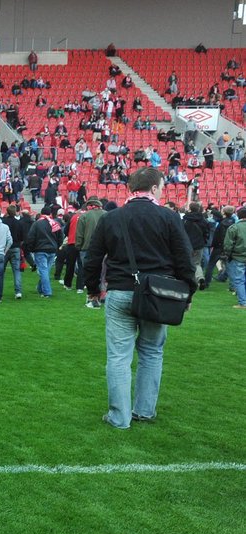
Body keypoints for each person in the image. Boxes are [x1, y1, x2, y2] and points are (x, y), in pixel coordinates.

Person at [82, 168, 196, 429]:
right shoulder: (168, 217)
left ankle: (119, 417)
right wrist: (187, 292)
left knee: (119, 357)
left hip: (121, 291)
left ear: (131, 189)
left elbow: (92, 260)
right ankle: (144, 411)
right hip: (158, 294)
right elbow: (184, 259)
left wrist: (92, 289)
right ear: (155, 188)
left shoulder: (112, 218)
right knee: (152, 352)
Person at [24, 207, 62, 298]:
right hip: (52, 250)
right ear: (50, 214)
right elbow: (60, 236)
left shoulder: (37, 224)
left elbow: (31, 237)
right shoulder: (55, 223)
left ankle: (47, 292)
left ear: (41, 213)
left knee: (43, 271)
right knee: (46, 271)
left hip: (40, 250)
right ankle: (40, 288)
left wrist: (30, 249)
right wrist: (56, 246)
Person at [224, 207, 246, 308]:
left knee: (239, 280)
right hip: (239, 256)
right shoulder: (234, 227)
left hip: (238, 257)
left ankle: (243, 302)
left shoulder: (234, 228)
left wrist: (228, 255)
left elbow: (228, 245)